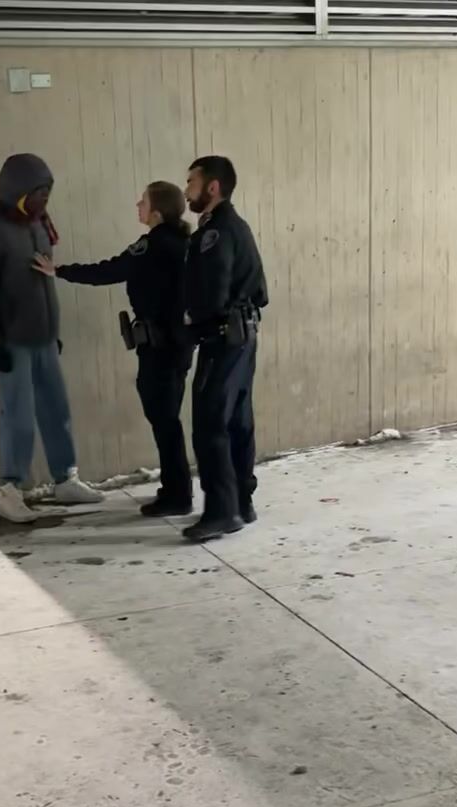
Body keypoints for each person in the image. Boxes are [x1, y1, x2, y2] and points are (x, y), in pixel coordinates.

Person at [34, 181, 194, 516]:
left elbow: (109, 270)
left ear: (157, 212)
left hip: (159, 347)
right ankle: (176, 489)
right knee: (168, 419)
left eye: (143, 201)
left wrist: (59, 271)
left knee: (164, 420)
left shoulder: (152, 245)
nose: (138, 205)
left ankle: (178, 495)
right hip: (178, 345)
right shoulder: (184, 243)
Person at [0, 153, 104, 523]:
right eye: (38, 192)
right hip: (11, 340)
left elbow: (44, 278)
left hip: (44, 336)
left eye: (47, 192)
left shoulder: (39, 222)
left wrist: (52, 332)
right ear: (17, 190)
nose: (45, 199)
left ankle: (65, 479)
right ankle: (10, 489)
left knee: (56, 409)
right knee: (18, 416)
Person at [182, 155, 268, 543]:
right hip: (243, 336)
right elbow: (260, 291)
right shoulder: (237, 226)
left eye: (192, 182)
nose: (187, 191)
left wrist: (191, 325)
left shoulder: (215, 233)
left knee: (210, 423)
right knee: (237, 421)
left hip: (222, 338)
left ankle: (221, 512)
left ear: (212, 187)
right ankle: (241, 502)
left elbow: (211, 292)